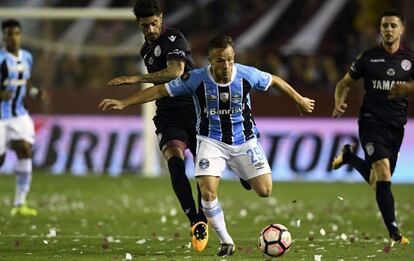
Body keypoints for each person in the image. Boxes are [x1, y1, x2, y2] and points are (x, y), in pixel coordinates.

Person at [100, 35, 315, 257]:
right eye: (221, 60)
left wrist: (299, 99)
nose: (227, 65)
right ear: (210, 60)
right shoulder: (196, 79)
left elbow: (275, 81)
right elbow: (160, 91)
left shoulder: (247, 74)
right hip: (211, 142)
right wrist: (124, 102)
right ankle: (226, 241)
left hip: (245, 141)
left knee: (265, 191)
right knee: (207, 192)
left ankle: (241, 171)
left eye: (230, 59)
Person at [107, 0, 209, 252]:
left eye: (154, 23)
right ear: (138, 24)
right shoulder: (145, 49)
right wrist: (124, 103)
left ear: (161, 18)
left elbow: (175, 72)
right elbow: (160, 90)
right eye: (145, 25)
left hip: (194, 108)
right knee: (174, 161)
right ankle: (196, 221)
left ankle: (204, 218)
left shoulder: (174, 38)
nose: (151, 29)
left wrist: (134, 78)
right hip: (167, 112)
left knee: (203, 170)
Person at [331, 9, 411, 246]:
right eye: (384, 25)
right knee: (383, 172)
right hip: (371, 123)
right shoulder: (368, 58)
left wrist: (410, 89)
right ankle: (394, 231)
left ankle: (349, 158)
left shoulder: (410, 60)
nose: (388, 30)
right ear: (380, 29)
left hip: (396, 127)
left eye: (393, 26)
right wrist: (338, 101)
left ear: (401, 30)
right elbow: (343, 83)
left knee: (379, 183)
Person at [0, 19, 47, 216]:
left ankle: (21, 204)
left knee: (25, 149)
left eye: (17, 33)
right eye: (9, 34)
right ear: (3, 36)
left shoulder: (27, 57)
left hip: (19, 114)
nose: (13, 37)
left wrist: (36, 93)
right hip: (1, 117)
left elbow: (24, 83)